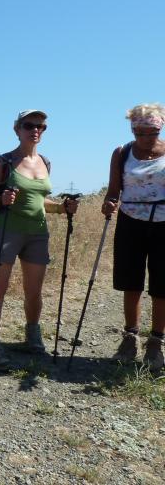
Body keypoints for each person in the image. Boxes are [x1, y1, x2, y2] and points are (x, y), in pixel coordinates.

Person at [0, 110, 79, 370]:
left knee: (33, 291)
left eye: (41, 126)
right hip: (6, 231)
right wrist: (1, 200)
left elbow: (39, 200)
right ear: (17, 129)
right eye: (29, 125)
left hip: (37, 232)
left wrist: (61, 207)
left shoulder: (45, 162)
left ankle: (33, 338)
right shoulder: (4, 162)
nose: (36, 130)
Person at [102, 103, 165, 371]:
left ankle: (156, 342)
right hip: (130, 222)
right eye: (139, 132)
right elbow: (114, 190)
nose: (145, 138)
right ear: (132, 128)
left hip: (164, 223)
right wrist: (109, 203)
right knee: (131, 281)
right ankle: (130, 337)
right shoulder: (122, 153)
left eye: (151, 131)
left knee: (162, 284)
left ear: (159, 128)